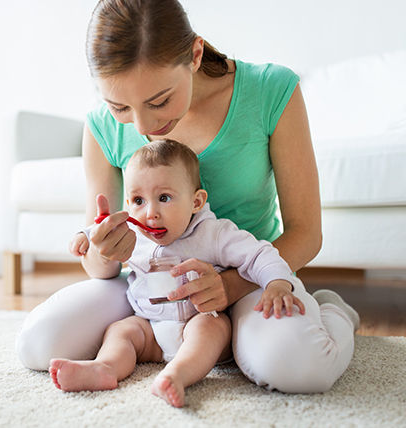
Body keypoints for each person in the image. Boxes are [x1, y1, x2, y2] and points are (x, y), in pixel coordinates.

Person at [16, 0, 360, 393]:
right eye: (120, 106)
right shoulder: (99, 127)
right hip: (150, 284)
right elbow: (101, 266)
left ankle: (335, 313)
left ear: (194, 55)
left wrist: (228, 286)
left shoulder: (271, 90)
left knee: (300, 368)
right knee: (37, 344)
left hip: (250, 278)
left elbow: (306, 233)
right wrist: (103, 250)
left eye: (160, 100)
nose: (145, 125)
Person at [51, 139, 306, 408]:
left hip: (197, 322)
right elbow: (101, 229)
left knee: (212, 327)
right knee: (121, 331)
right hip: (149, 329)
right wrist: (85, 237)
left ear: (196, 202)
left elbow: (258, 255)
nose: (151, 214)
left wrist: (278, 283)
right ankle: (105, 367)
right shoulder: (133, 235)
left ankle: (177, 375)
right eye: (138, 200)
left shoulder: (214, 234)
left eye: (164, 198)